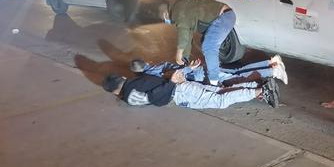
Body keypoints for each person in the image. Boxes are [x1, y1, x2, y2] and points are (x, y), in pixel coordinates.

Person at [102, 67, 280, 109]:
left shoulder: (129, 95)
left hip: (179, 93)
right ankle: (259, 86)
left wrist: (172, 82)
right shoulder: (137, 79)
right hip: (182, 86)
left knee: (219, 101)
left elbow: (153, 97)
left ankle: (261, 91)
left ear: (114, 91)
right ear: (122, 78)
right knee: (219, 92)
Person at [160, 0, 235, 86]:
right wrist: (185, 59)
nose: (168, 22)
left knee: (209, 46)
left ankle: (214, 83)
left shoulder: (178, 11)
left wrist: (178, 54)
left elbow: (183, 34)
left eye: (165, 20)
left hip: (224, 17)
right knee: (207, 43)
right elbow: (188, 36)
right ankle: (216, 74)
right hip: (226, 15)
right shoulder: (182, 8)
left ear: (165, 14)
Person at [130, 54, 288, 85]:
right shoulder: (156, 66)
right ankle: (270, 63)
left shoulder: (152, 73)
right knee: (236, 72)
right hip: (198, 70)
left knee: (237, 75)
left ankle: (272, 70)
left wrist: (188, 67)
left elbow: (173, 74)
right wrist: (188, 65)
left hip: (197, 73)